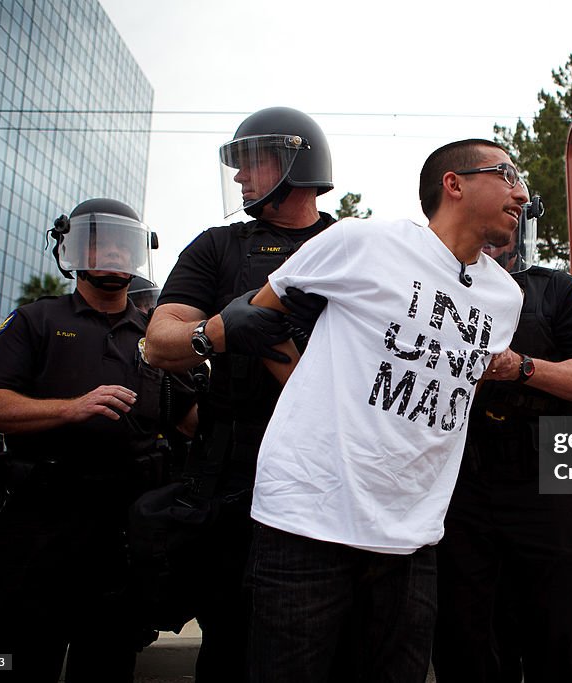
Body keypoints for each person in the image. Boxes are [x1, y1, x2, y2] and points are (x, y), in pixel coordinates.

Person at [243, 138, 527, 682]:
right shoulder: (359, 242)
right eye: (507, 174)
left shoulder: (505, 298)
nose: (520, 193)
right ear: (455, 183)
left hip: (411, 536)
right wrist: (313, 382)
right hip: (307, 519)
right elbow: (259, 318)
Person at [0, 198, 195, 682]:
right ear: (71, 249)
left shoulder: (155, 337)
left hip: (122, 539)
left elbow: (192, 420)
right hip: (38, 531)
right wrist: (69, 408)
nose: (113, 253)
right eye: (100, 243)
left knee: (108, 664)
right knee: (11, 663)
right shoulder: (36, 320)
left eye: (123, 245)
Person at [143, 106, 335, 681]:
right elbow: (159, 340)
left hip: (326, 468)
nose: (239, 177)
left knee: (324, 637)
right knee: (229, 638)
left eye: (252, 161)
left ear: (296, 160)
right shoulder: (217, 247)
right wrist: (215, 333)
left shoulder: (352, 243)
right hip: (233, 473)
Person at [431, 187, 572, 683]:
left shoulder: (555, 289)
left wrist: (524, 368)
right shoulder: (432, 286)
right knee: (465, 638)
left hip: (543, 478)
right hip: (459, 480)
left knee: (556, 636)